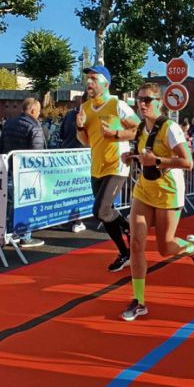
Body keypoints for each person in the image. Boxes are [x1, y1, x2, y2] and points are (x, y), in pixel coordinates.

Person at [120, 83, 194, 321]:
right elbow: (144, 155)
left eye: (147, 100)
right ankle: (139, 301)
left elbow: (188, 162)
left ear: (159, 102)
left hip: (168, 192)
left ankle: (191, 248)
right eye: (139, 99)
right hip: (144, 190)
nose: (142, 104)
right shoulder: (140, 128)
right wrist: (131, 157)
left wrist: (157, 161)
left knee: (165, 248)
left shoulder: (170, 128)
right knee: (136, 244)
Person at [76, 65, 140, 272]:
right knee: (105, 214)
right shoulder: (85, 108)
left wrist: (117, 134)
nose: (89, 82)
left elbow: (139, 129)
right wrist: (79, 126)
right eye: (88, 78)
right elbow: (85, 141)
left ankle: (128, 228)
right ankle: (124, 252)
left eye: (94, 79)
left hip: (116, 164)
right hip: (97, 166)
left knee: (100, 210)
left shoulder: (117, 104)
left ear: (106, 84)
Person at [0, 97, 46, 248]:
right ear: (33, 110)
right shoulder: (35, 127)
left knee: (9, 203)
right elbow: (37, 154)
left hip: (9, 168)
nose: (39, 114)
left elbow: (0, 147)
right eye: (38, 111)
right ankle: (24, 236)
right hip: (26, 173)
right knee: (26, 203)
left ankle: (10, 233)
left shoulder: (9, 123)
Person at [60, 93, 89, 233]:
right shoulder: (90, 116)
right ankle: (77, 220)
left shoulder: (69, 115)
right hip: (81, 157)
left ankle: (67, 219)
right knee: (79, 189)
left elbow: (61, 134)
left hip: (66, 154)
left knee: (68, 189)